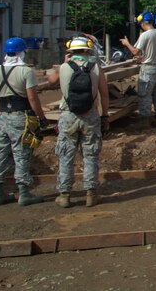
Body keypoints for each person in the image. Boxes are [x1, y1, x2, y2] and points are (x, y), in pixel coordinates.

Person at [0, 37, 48, 206]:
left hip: (2, 117)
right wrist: (41, 118)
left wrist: (2, 99)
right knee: (22, 153)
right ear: (22, 52)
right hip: (20, 116)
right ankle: (24, 193)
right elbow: (32, 98)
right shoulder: (26, 72)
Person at [48, 36, 110, 208]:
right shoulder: (96, 67)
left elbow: (50, 81)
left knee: (66, 155)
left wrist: (64, 62)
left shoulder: (64, 67)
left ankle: (65, 195)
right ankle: (91, 194)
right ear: (88, 50)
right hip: (90, 115)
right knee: (90, 155)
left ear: (70, 51)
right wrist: (105, 115)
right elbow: (104, 95)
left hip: (69, 115)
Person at [120, 11, 156, 127]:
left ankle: (144, 120)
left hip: (148, 68)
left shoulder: (145, 35)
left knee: (145, 94)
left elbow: (135, 52)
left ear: (143, 23)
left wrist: (127, 43)